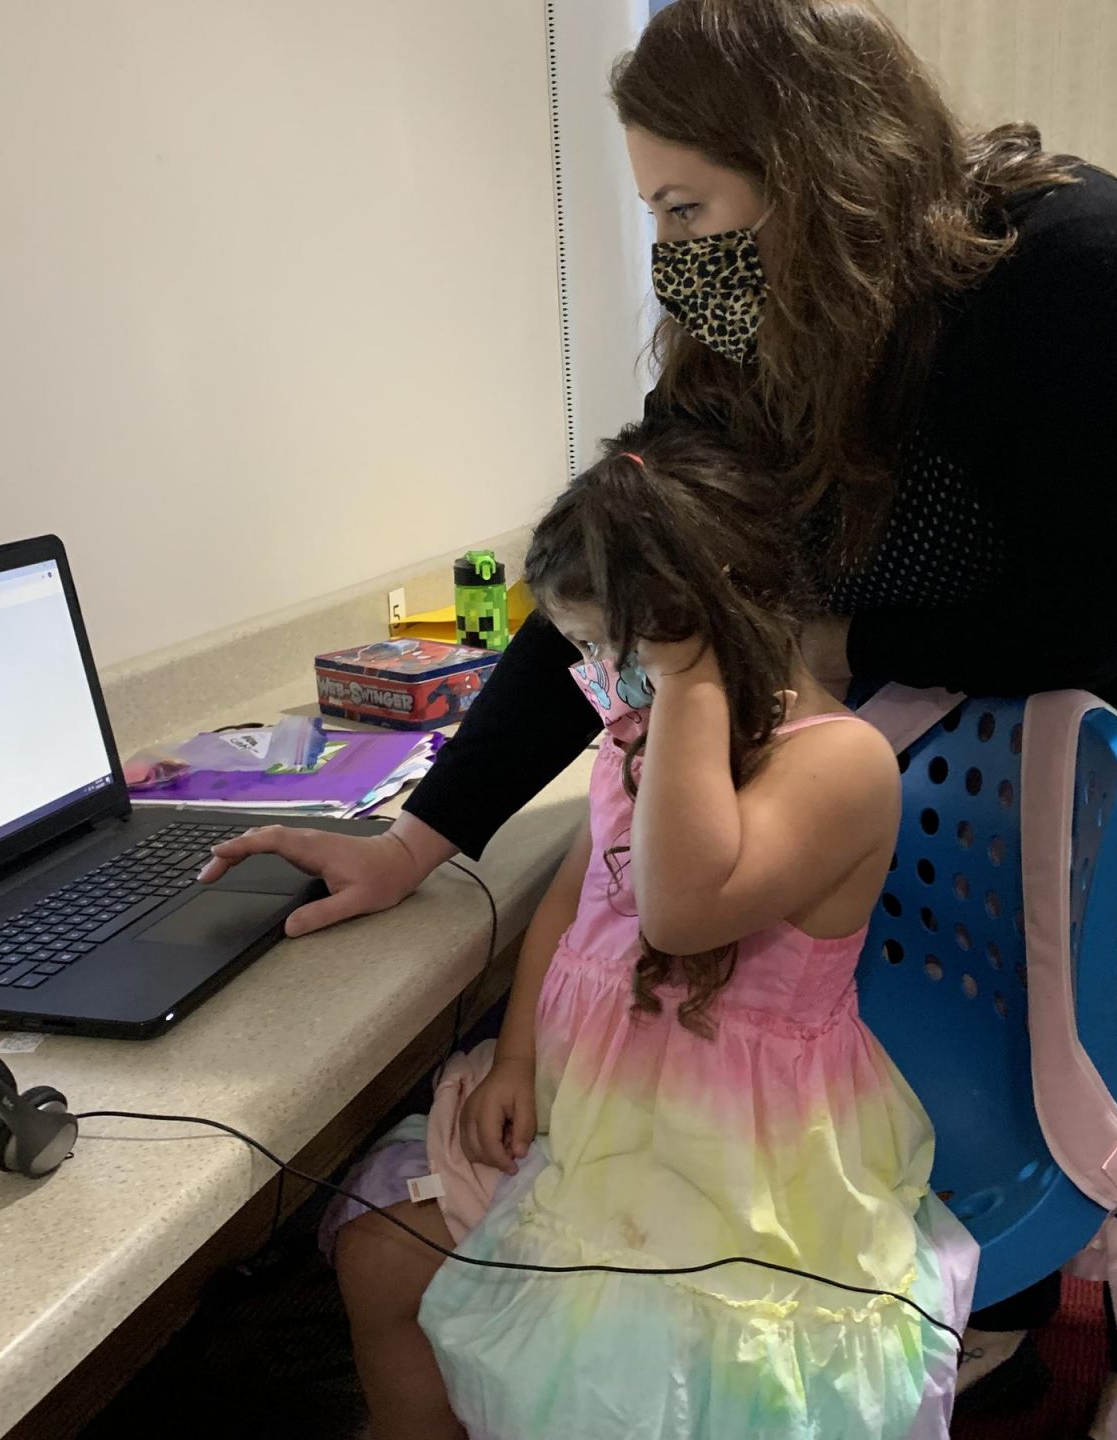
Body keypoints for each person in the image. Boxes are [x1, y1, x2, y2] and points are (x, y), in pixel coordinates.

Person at [201, 3, 1117, 1434]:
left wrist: (802, 631)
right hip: (1022, 662)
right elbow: (628, 573)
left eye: (686, 205)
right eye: (653, 214)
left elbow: (1079, 618)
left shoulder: (1085, 267)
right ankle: (1001, 1310)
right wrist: (422, 839)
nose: (672, 251)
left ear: (804, 163)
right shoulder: (760, 324)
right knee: (1028, 976)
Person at [314, 426, 976, 1440]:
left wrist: (690, 685)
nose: (595, 676)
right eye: (584, 647)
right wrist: (522, 1057)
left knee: (627, 1393)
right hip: (597, 1116)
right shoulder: (643, 735)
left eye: (611, 649)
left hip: (735, 1178)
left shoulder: (841, 766)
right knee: (373, 1257)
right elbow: (578, 905)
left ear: (706, 624)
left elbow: (679, 906)